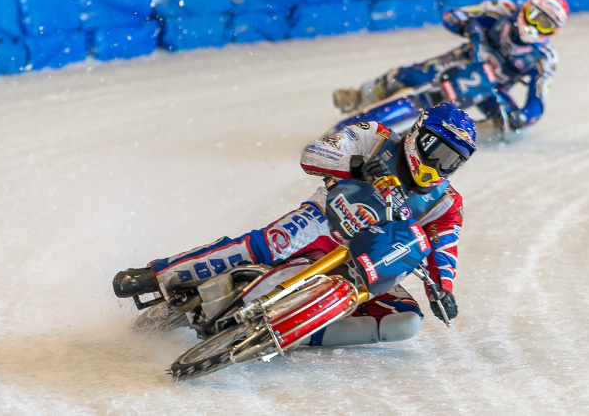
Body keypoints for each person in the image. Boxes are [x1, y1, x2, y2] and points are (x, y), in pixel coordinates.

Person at [113, 102, 477, 347]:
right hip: (325, 220)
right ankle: (158, 275)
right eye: (437, 150)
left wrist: (442, 289)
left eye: (451, 161)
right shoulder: (376, 136)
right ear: (418, 135)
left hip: (371, 264)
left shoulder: (446, 202)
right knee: (270, 244)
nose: (439, 165)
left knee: (405, 323)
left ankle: (292, 335)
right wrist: (356, 167)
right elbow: (313, 153)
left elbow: (444, 248)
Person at [333, 0, 569, 135]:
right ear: (525, 8)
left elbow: (538, 102)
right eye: (534, 16)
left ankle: (473, 142)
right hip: (463, 58)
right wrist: (470, 27)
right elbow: (452, 15)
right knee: (409, 74)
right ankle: (360, 95)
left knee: (510, 127)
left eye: (545, 24)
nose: (535, 26)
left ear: (553, 31)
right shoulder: (503, 9)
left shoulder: (546, 58)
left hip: (490, 89)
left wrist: (524, 117)